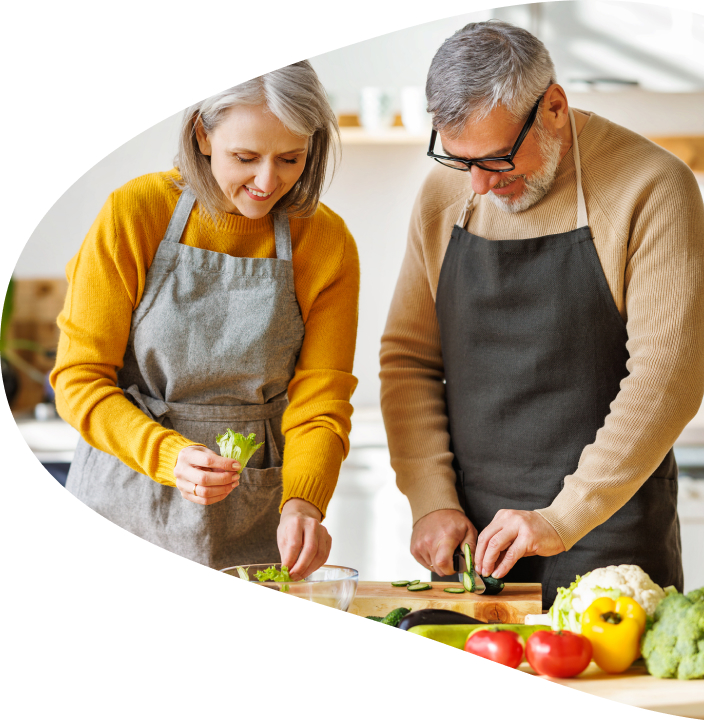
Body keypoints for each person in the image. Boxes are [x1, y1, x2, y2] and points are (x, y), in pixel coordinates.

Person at [379, 20, 704, 608]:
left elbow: (668, 377)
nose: (478, 184)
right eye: (460, 161)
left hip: (612, 543)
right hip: (475, 550)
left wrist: (563, 517)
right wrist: (432, 500)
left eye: (498, 159)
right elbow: (408, 361)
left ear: (553, 106)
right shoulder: (444, 197)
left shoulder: (651, 188)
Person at [51, 61, 360, 579]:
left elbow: (320, 399)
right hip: (122, 507)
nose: (268, 181)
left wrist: (304, 502)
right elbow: (78, 380)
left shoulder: (324, 241)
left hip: (255, 522)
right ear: (202, 134)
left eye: (291, 158)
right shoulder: (136, 212)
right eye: (245, 156)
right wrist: (166, 454)